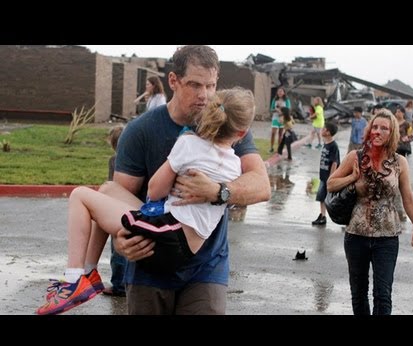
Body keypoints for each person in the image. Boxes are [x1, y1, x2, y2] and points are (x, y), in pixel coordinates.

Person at [71, 45, 269, 316]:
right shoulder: (140, 131)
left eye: (211, 85)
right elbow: (117, 200)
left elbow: (261, 185)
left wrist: (217, 191)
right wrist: (121, 242)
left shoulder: (228, 125)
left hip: (206, 268)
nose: (204, 95)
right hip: (149, 264)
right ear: (173, 81)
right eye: (195, 85)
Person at [35, 87, 257, 315]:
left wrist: (177, 164)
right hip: (187, 242)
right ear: (241, 133)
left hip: (169, 236)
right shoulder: (235, 166)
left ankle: (74, 279)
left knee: (80, 195)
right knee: (107, 189)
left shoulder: (189, 144)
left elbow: (154, 191)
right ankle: (89, 274)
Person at [327, 109, 413, 315]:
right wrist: (352, 179)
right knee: (358, 293)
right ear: (369, 130)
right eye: (375, 127)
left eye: (384, 128)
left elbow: (408, 199)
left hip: (387, 238)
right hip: (356, 235)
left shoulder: (399, 162)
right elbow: (331, 184)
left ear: (391, 133)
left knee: (383, 295)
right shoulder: (355, 156)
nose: (378, 131)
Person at [104, 125, 127, 297]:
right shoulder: (134, 159)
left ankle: (118, 285)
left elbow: (110, 185)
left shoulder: (114, 160)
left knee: (117, 249)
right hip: (132, 206)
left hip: (116, 208)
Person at [312, 122, 340, 226]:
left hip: (328, 177)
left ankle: (340, 217)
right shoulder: (326, 143)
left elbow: (335, 162)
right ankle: (322, 216)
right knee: (321, 197)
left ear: (328, 132)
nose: (322, 130)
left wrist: (331, 177)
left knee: (331, 199)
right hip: (323, 176)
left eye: (323, 129)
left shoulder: (333, 146)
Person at [269, 87, 291, 153]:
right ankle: (271, 147)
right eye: (278, 91)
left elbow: (288, 110)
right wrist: (275, 110)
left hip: (282, 119)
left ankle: (279, 148)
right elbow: (271, 109)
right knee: (273, 133)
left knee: (280, 134)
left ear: (284, 92)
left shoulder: (286, 100)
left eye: (281, 91)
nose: (280, 93)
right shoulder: (274, 100)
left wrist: (282, 111)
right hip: (275, 118)